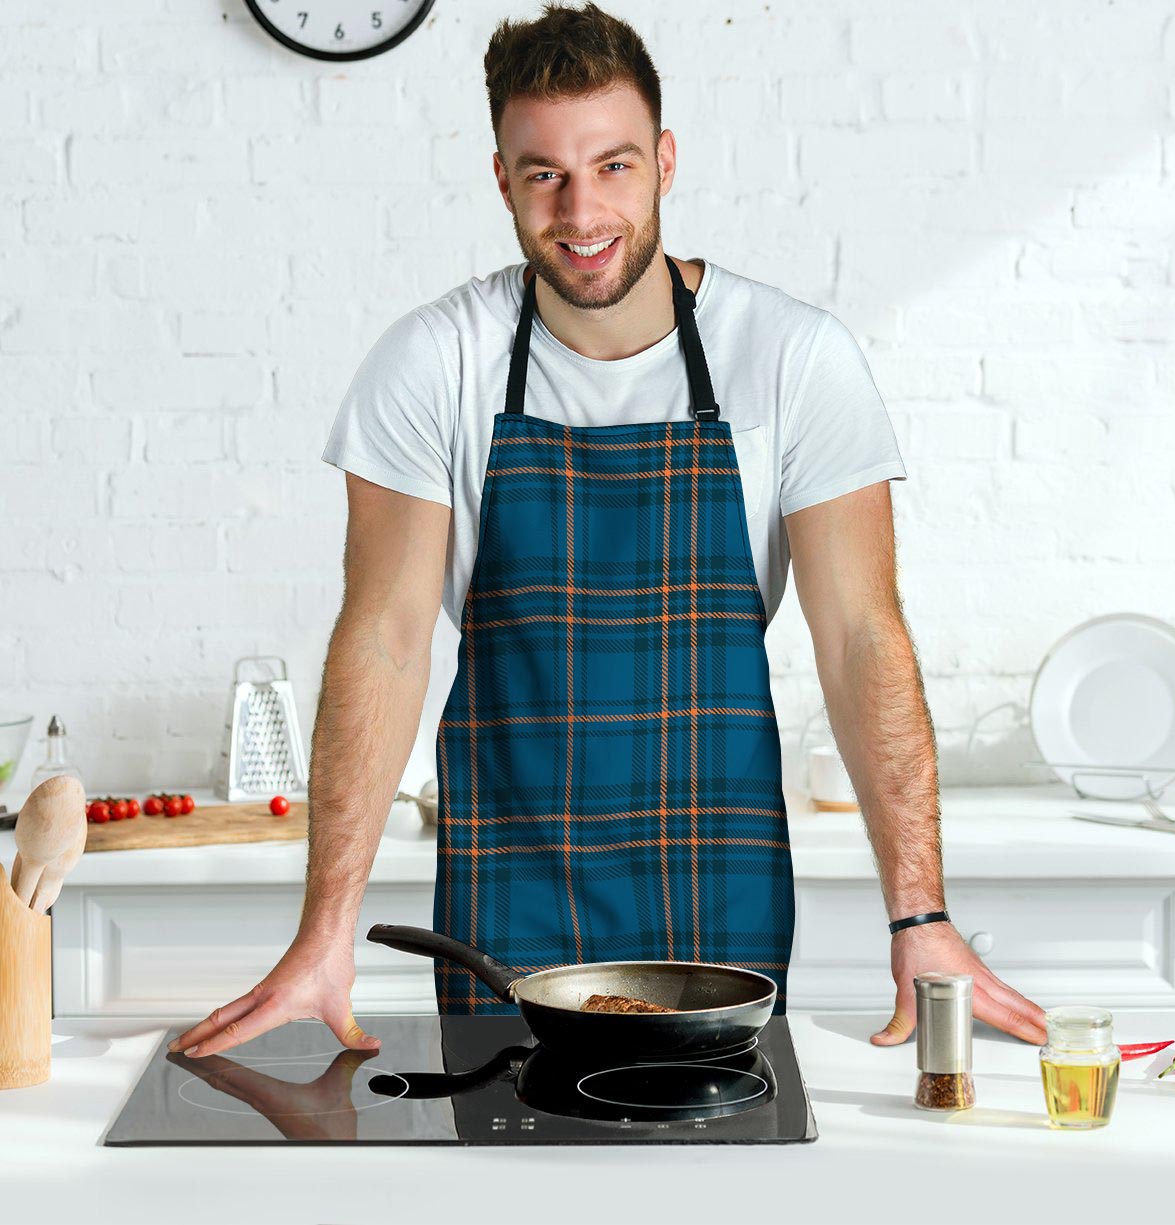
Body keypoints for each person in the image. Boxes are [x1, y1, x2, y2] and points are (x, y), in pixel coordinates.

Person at [170, 2, 1046, 1060]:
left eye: (613, 165)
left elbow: (862, 634)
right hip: (505, 885)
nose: (581, 209)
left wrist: (919, 914)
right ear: (501, 178)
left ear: (664, 161)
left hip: (717, 876)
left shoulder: (793, 358)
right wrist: (324, 931)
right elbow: (385, 641)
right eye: (543, 173)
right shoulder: (433, 362)